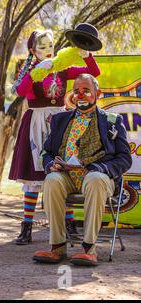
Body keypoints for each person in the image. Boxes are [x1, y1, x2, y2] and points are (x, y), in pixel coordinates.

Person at [9, 28, 101, 245]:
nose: (48, 51)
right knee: (33, 175)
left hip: (60, 122)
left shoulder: (61, 69)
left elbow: (93, 73)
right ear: (32, 50)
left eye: (50, 46)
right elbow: (21, 91)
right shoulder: (30, 70)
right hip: (36, 123)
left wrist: (86, 55)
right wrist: (35, 72)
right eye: (42, 47)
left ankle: (69, 224)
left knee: (63, 171)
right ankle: (27, 226)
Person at [33, 74, 132, 266]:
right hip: (67, 176)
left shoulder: (112, 120)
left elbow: (124, 158)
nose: (81, 95)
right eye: (77, 91)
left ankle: (88, 248)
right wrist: (50, 164)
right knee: (52, 179)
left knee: (95, 178)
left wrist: (100, 168)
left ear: (97, 93)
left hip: (97, 177)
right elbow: (46, 151)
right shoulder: (60, 120)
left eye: (86, 91)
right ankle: (58, 247)